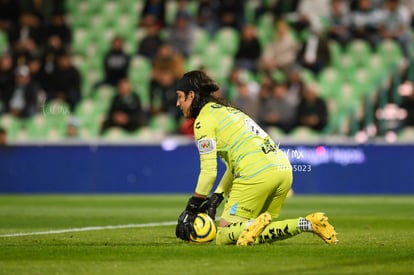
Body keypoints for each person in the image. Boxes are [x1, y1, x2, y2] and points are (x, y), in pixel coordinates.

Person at [174, 70, 337, 246]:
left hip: (256, 173)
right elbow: (235, 164)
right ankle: (308, 223)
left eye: (180, 97)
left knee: (223, 235)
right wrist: (217, 197)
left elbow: (208, 172)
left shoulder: (203, 121)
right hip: (282, 170)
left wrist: (192, 208)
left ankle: (253, 223)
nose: (177, 103)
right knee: (257, 232)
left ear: (191, 95)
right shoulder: (229, 111)